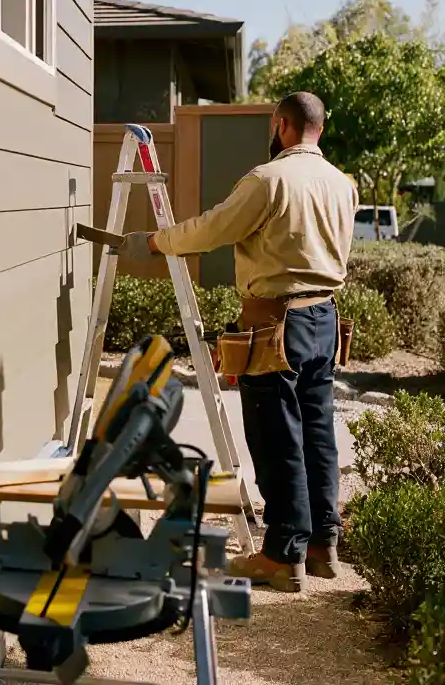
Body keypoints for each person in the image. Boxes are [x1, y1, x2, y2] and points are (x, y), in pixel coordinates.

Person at [120, 92, 358, 593]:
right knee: (316, 432)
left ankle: (282, 555)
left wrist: (157, 241)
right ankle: (321, 547)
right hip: (325, 319)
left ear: (282, 125)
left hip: (278, 323)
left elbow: (213, 229)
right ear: (322, 128)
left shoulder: (268, 180)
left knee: (278, 438)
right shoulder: (342, 184)